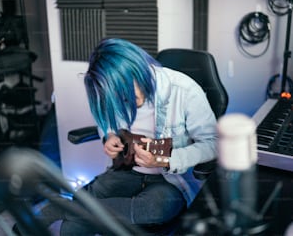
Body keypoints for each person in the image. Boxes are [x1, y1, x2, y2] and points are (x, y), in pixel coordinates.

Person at [15, 38, 218, 235]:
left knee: (154, 209)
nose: (125, 101)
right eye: (118, 97)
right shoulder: (113, 93)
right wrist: (109, 136)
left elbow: (213, 144)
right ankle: (74, 208)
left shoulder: (184, 90)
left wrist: (166, 159)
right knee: (80, 209)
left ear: (137, 69)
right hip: (127, 172)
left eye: (126, 92)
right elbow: (109, 123)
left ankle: (63, 208)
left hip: (171, 181)